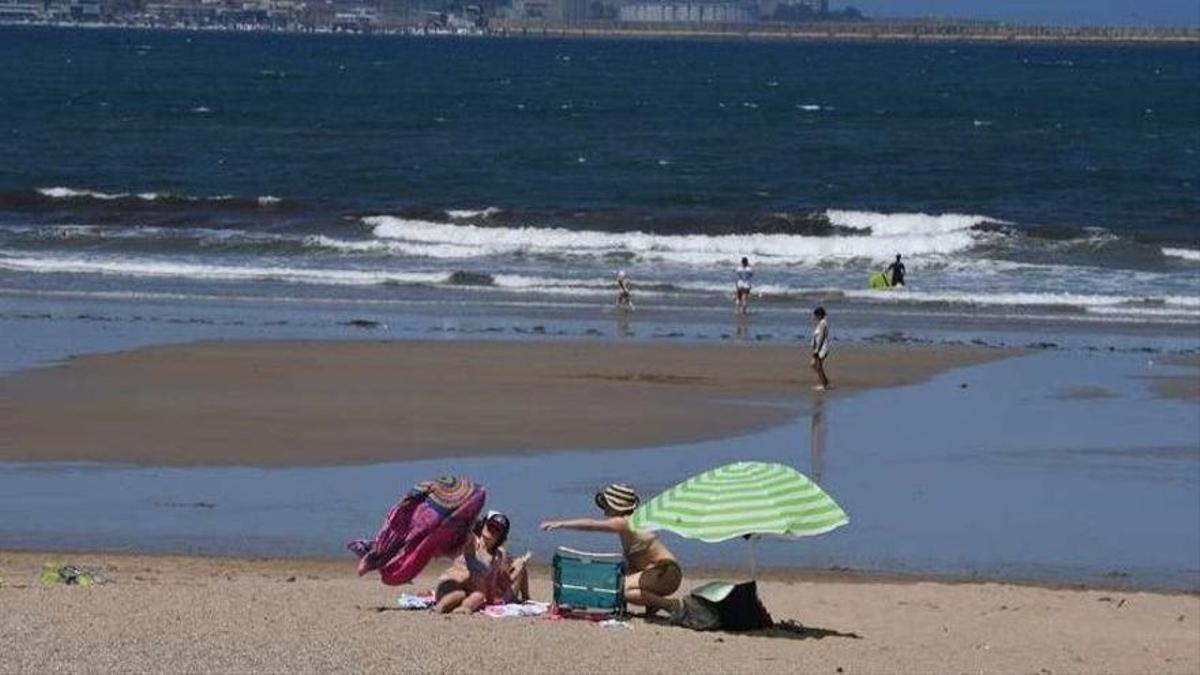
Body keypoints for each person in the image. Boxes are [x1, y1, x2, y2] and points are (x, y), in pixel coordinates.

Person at [540, 484, 682, 615]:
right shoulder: (631, 523)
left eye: (606, 504)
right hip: (660, 573)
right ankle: (652, 603)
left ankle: (669, 605)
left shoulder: (625, 522)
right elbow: (639, 559)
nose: (604, 508)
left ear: (616, 506)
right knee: (614, 579)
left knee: (621, 589)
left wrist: (561, 524)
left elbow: (592, 525)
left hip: (666, 573)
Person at [434, 510, 531, 614]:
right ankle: (440, 607)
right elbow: (466, 536)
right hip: (450, 585)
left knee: (478, 597)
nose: (492, 530)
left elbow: (492, 584)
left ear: (500, 537)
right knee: (458, 594)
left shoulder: (496, 557)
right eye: (490, 526)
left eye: (497, 530)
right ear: (483, 525)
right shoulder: (473, 543)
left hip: (470, 592)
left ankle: (463, 609)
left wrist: (491, 599)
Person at [810, 306, 831, 391]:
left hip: (822, 349)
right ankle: (824, 382)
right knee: (814, 365)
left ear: (820, 315)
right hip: (819, 348)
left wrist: (816, 351)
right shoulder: (821, 323)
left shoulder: (822, 324)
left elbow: (821, 338)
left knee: (817, 366)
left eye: (816, 315)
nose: (815, 317)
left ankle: (824, 385)